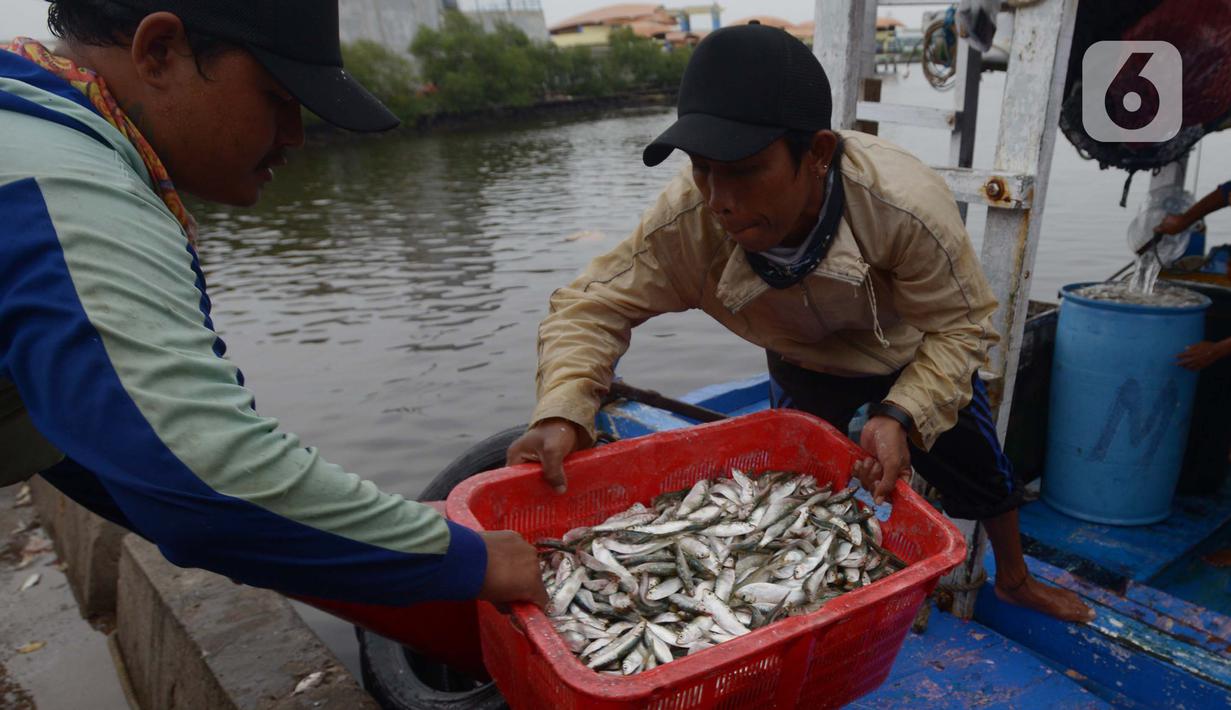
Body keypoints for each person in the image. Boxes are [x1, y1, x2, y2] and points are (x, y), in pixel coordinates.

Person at [506, 24, 1093, 622]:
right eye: (703, 168)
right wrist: (562, 409)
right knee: (802, 495)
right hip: (801, 361)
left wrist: (901, 414)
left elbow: (962, 327)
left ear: (816, 153)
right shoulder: (687, 220)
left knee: (983, 476)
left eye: (743, 169)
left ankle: (1016, 579)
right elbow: (591, 305)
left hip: (910, 355)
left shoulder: (904, 207)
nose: (719, 198)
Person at [0, 0, 546, 610]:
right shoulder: (68, 186)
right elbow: (193, 473)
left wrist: (373, 535)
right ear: (159, 53)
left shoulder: (29, 128)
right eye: (277, 97)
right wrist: (469, 559)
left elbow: (80, 442)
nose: (295, 136)